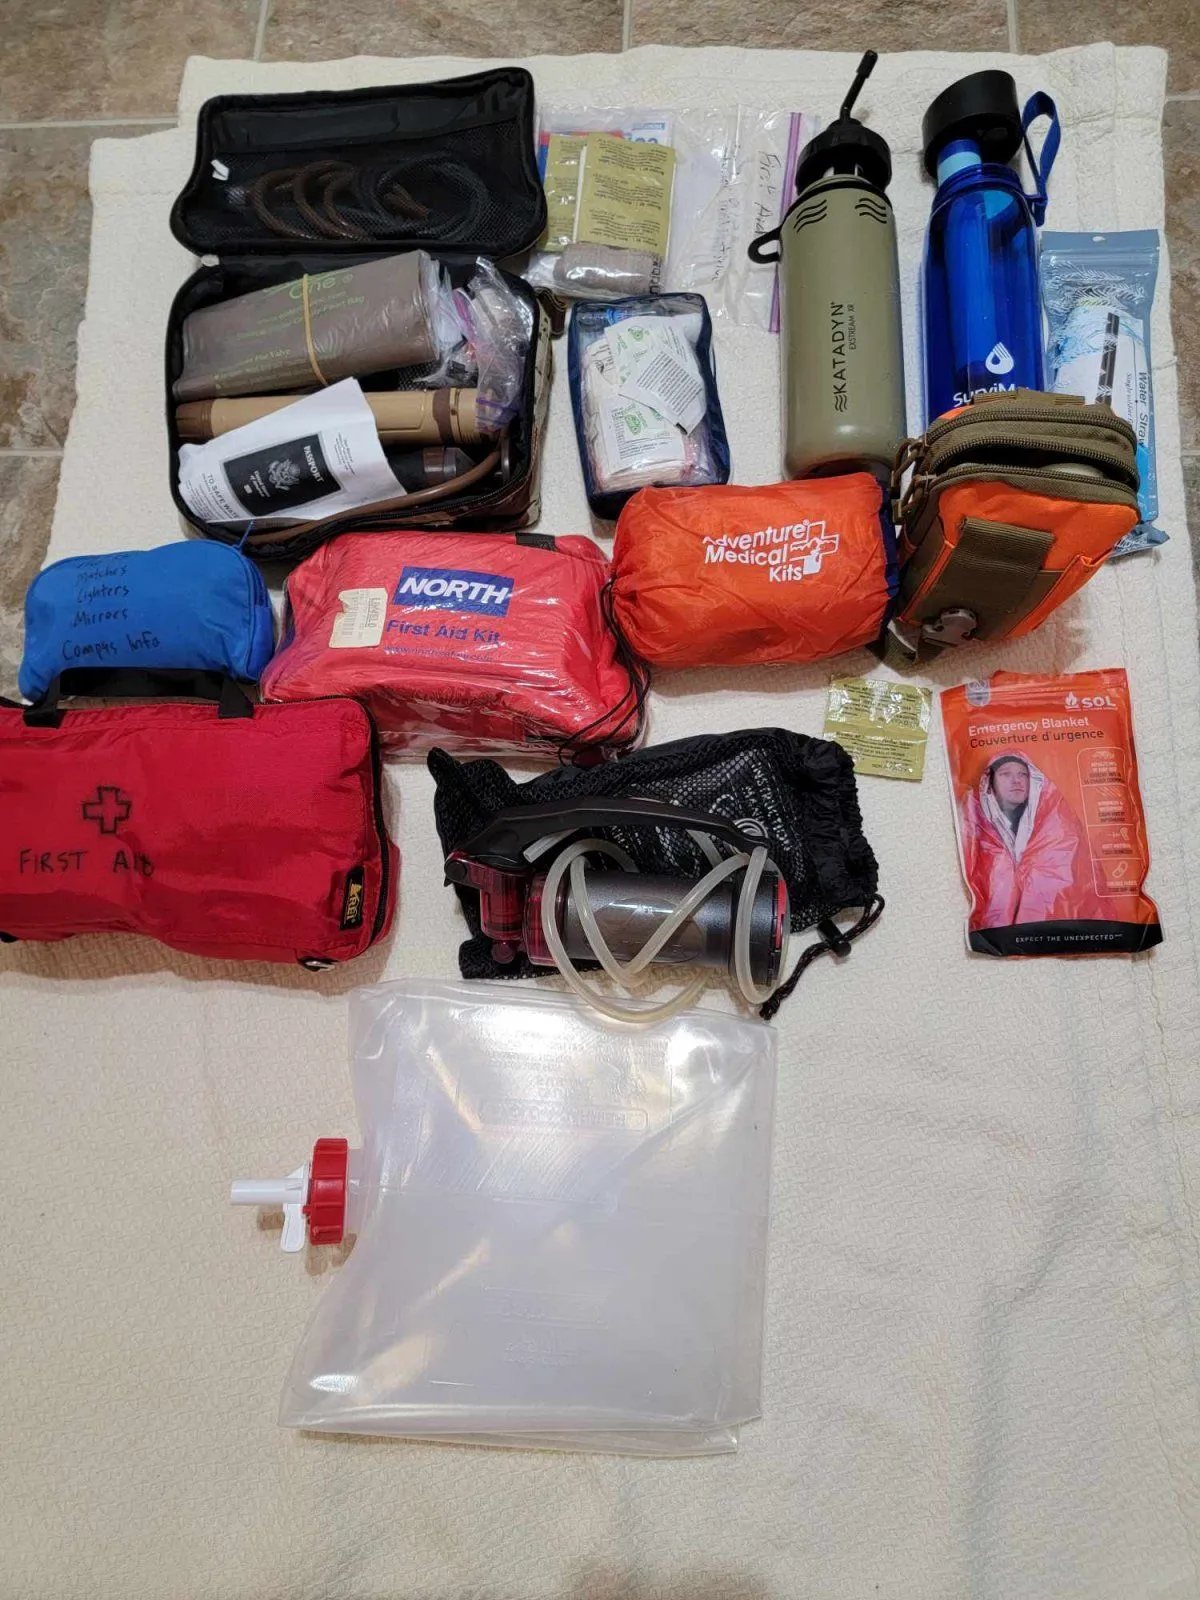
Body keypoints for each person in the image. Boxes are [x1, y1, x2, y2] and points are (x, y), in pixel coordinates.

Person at [959, 750, 1104, 929]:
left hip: (1056, 929)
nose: (1016, 780)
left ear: (1033, 780)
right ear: (990, 782)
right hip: (998, 934)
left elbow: (1078, 877)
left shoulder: (1057, 819)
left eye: (1023, 774)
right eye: (1005, 774)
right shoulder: (974, 819)